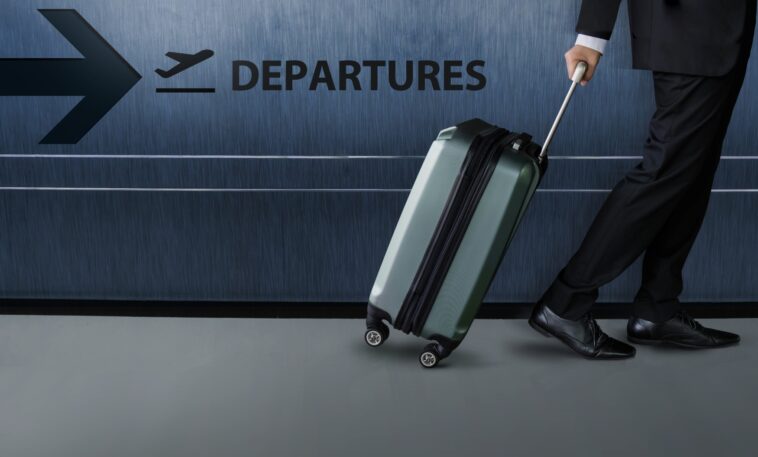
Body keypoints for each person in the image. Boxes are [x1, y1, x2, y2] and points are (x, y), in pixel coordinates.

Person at [529, 0, 757, 359]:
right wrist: (592, 36)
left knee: (693, 173)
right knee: (664, 171)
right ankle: (564, 303)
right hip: (689, 29)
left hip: (726, 29)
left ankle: (657, 308)